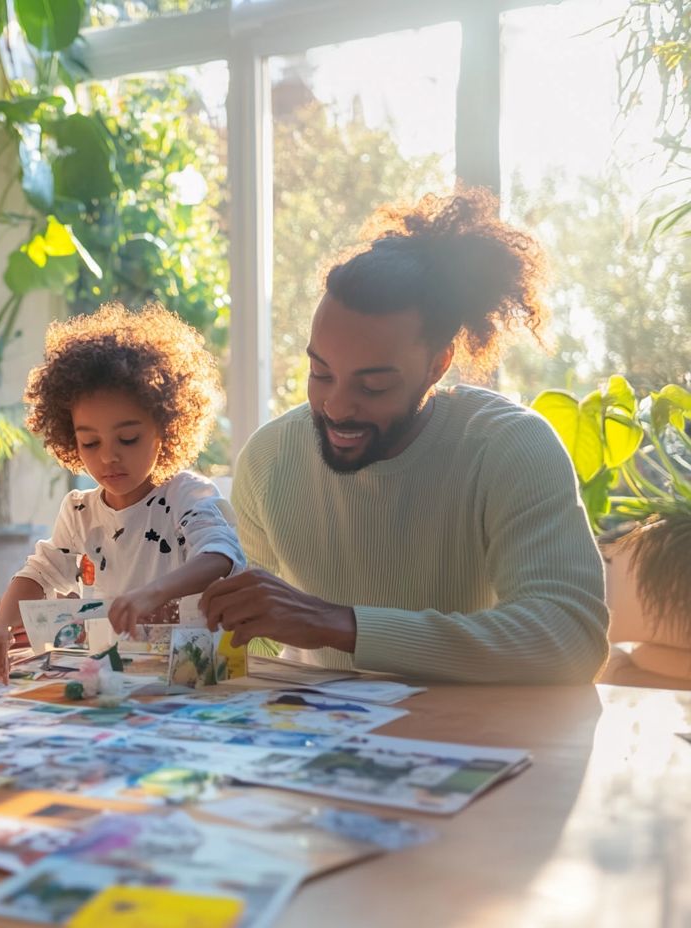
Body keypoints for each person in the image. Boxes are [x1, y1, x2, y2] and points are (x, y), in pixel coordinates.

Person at [200, 190, 609, 684]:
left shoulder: (509, 447)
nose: (336, 406)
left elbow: (570, 636)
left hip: (470, 740)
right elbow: (256, 643)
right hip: (319, 739)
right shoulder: (269, 459)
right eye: (320, 373)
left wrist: (340, 625)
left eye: (373, 385)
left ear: (437, 364)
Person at [0, 302, 245, 682]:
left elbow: (220, 555)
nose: (108, 457)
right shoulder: (80, 511)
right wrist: (1, 625)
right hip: (116, 677)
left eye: (128, 438)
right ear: (70, 439)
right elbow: (38, 573)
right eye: (89, 443)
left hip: (192, 676)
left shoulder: (188, 495)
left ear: (166, 428)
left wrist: (153, 594)